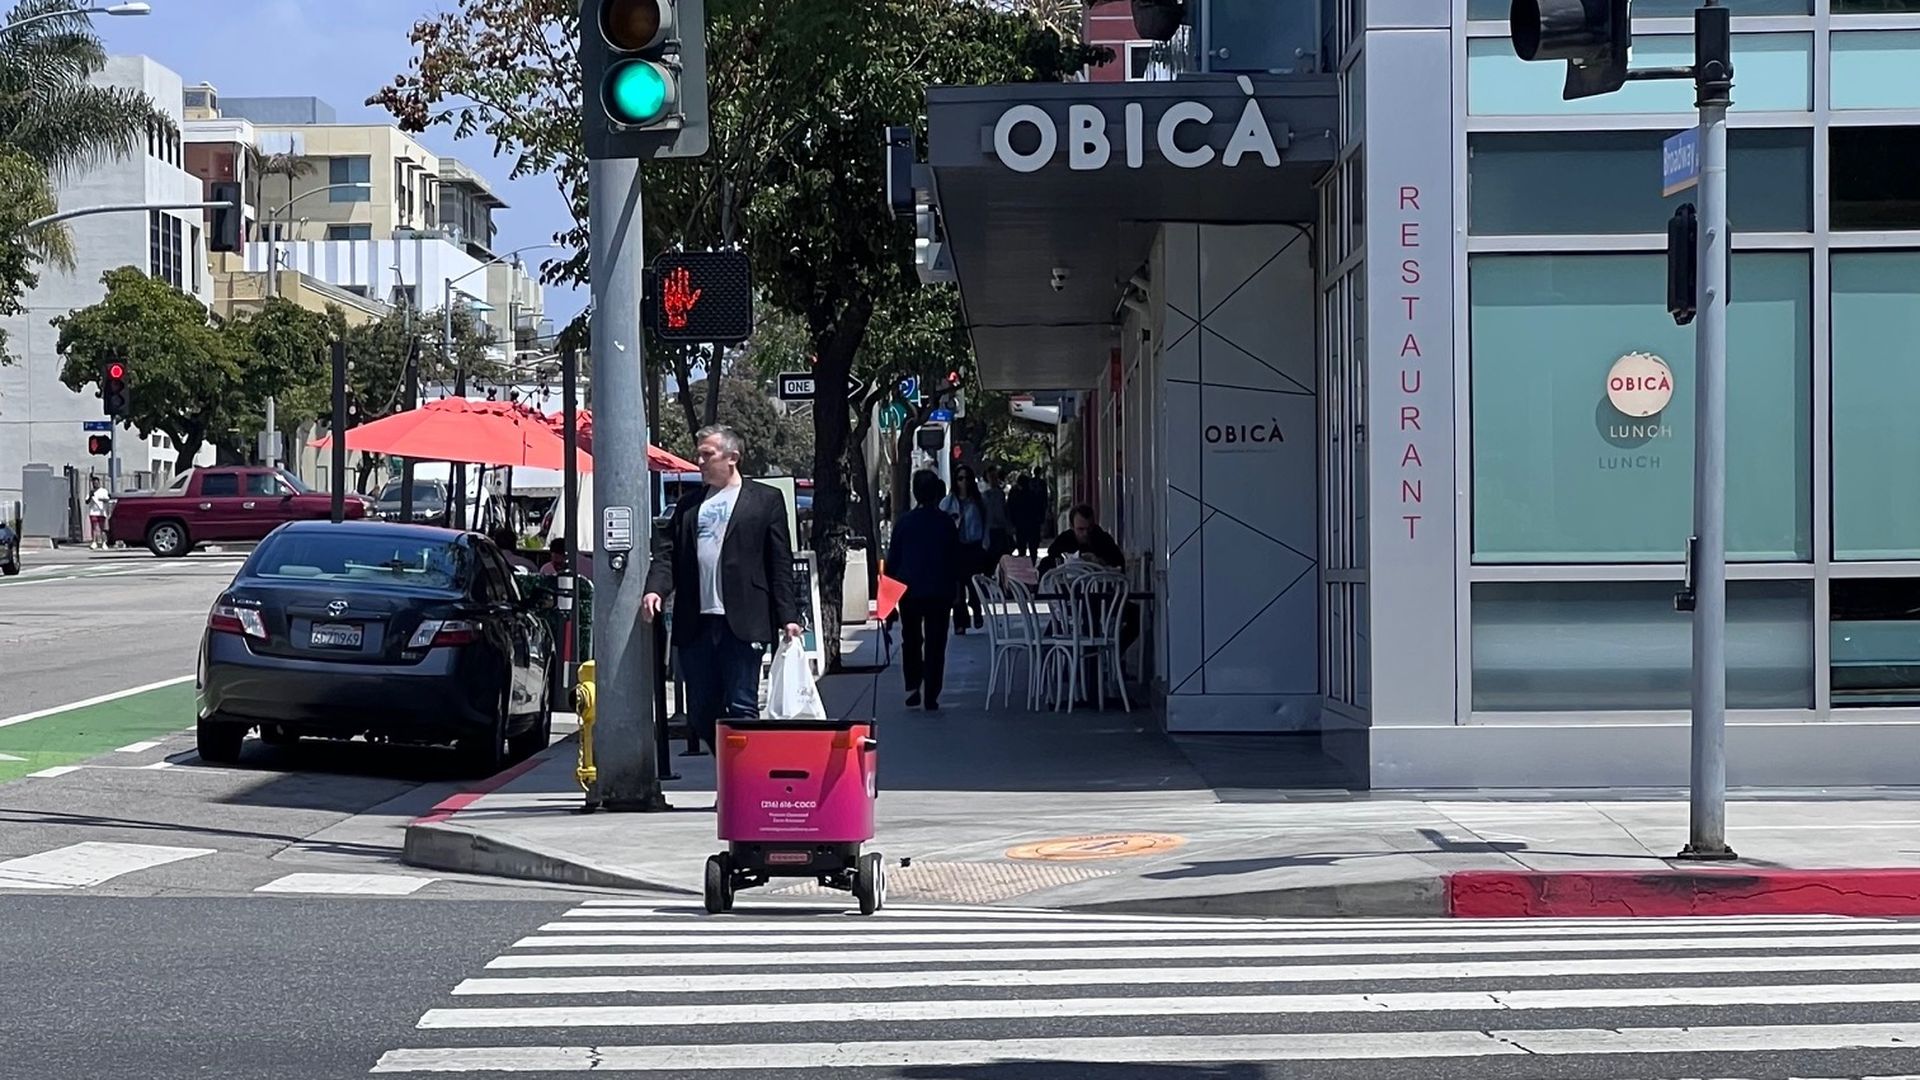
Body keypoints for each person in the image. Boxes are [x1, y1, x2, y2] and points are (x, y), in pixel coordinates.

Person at [644, 424, 802, 753]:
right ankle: (729, 771)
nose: (699, 461)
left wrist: (788, 615)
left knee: (743, 706)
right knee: (702, 712)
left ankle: (741, 788)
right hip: (697, 622)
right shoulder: (688, 506)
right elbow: (667, 556)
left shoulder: (765, 501)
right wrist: (655, 589)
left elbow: (779, 562)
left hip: (744, 621)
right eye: (698, 454)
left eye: (707, 455)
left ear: (732, 458)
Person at [886, 470, 961, 710]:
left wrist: (888, 597)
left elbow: (893, 560)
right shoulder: (946, 523)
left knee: (911, 639)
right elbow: (954, 560)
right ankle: (932, 692)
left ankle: (912, 685)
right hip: (940, 590)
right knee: (936, 642)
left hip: (910, 591)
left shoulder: (904, 523)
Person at [940, 465, 990, 633]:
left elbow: (986, 523)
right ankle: (960, 623)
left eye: (967, 478)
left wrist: (985, 543)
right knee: (958, 588)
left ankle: (976, 610)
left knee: (974, 584)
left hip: (974, 547)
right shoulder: (949, 502)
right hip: (957, 548)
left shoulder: (978, 502)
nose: (964, 482)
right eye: (960, 478)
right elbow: (941, 521)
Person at [1039, 504, 1125, 576]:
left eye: (1089, 528)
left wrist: (1101, 562)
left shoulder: (1103, 539)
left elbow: (1119, 563)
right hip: (1069, 588)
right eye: (1081, 529)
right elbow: (1051, 557)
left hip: (1100, 590)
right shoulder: (1064, 540)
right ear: (1072, 527)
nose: (1085, 533)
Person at [86, 484, 110, 550]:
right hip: (93, 512)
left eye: (96, 483)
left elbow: (107, 499)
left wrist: (101, 499)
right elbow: (87, 501)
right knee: (94, 527)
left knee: (102, 528)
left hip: (101, 512)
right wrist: (91, 496)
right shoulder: (91, 492)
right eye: (94, 483)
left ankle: (104, 542)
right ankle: (94, 542)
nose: (95, 484)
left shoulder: (103, 491)